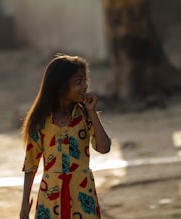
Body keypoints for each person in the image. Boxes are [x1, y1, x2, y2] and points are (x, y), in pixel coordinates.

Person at [20, 54, 111, 219]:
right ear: (61, 87)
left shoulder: (85, 115)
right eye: (78, 81)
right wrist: (25, 204)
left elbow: (104, 148)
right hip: (50, 197)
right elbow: (30, 165)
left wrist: (92, 113)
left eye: (85, 80)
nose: (85, 86)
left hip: (82, 193)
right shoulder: (41, 120)